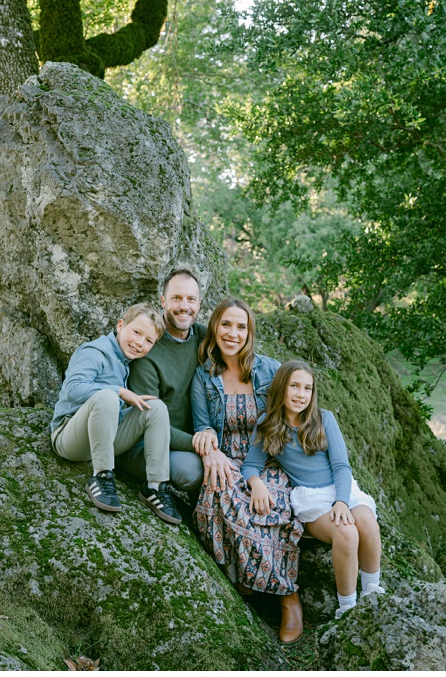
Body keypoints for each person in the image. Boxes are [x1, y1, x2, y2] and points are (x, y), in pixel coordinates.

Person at [190, 298, 304, 643]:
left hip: (268, 459)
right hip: (227, 458)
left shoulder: (270, 370)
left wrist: (256, 477)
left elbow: (295, 417)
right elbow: (202, 424)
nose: (233, 333)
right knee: (220, 497)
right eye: (226, 324)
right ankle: (252, 580)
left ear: (249, 332)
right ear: (214, 328)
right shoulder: (204, 375)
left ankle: (289, 598)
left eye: (241, 327)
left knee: (271, 505)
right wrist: (210, 446)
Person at [244, 360, 383, 620]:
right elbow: (251, 465)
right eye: (294, 386)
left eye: (307, 388)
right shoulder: (267, 424)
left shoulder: (323, 419)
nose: (301, 394)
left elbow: (342, 467)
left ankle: (372, 591)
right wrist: (256, 483)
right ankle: (348, 606)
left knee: (366, 522)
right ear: (281, 388)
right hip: (312, 498)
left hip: (343, 490)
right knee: (346, 533)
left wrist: (341, 501)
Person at [50, 303, 181, 523]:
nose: (139, 343)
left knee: (155, 407)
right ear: (120, 325)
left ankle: (155, 487)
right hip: (70, 438)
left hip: (105, 440)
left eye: (148, 341)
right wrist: (119, 391)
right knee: (108, 397)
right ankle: (101, 476)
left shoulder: (126, 360)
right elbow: (73, 389)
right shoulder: (95, 351)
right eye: (136, 332)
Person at [119, 270, 205, 494]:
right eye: (176, 298)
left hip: (186, 441)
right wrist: (202, 446)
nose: (184, 306)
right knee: (193, 471)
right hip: (145, 445)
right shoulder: (148, 350)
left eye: (191, 299)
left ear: (199, 304)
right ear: (163, 301)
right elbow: (150, 422)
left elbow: (237, 346)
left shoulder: (203, 337)